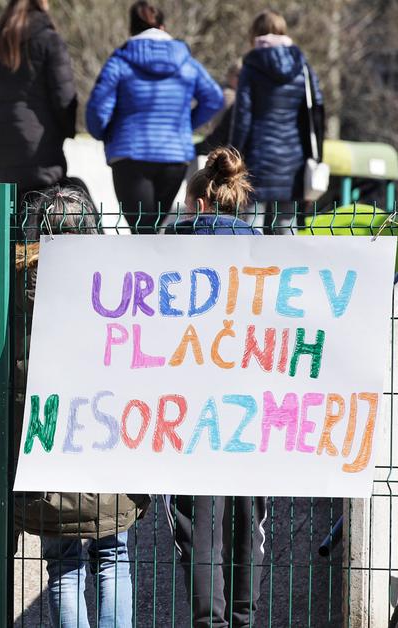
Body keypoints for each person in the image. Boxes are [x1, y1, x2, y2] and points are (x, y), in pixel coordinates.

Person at [13, 184, 149, 628]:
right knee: (114, 556)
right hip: (110, 451)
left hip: (47, 455)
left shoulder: (13, 297)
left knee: (63, 563)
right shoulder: (120, 291)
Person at [164, 147, 268, 628]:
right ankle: (244, 618)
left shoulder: (172, 247)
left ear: (201, 205)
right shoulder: (265, 251)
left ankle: (210, 622)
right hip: (252, 403)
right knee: (248, 518)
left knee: (199, 524)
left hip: (189, 406)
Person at [86, 1, 223, 235]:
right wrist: (184, 125)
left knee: (140, 229)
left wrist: (107, 134)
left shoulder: (120, 60)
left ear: (132, 29)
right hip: (173, 156)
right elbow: (214, 97)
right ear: (163, 26)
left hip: (130, 154)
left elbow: (97, 110)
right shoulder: (186, 61)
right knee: (154, 228)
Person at [0, 0, 78, 235]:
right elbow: (64, 97)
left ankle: (11, 268)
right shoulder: (49, 39)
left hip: (4, 145)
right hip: (42, 145)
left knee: (11, 214)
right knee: (44, 214)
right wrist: (65, 130)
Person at [229, 9, 325, 234]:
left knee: (251, 225)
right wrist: (317, 155)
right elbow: (316, 114)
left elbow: (242, 115)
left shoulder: (251, 67)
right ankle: (288, 269)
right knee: (287, 225)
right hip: (294, 159)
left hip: (257, 156)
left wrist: (234, 154)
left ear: (255, 34)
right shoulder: (302, 66)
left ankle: (248, 268)